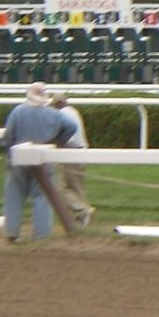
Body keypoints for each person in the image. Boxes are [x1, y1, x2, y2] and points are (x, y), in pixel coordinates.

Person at [0, 82, 73, 242]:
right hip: (44, 159)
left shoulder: (18, 111)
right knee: (42, 196)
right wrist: (58, 142)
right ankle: (41, 235)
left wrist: (8, 151)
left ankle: (12, 233)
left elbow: (7, 136)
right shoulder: (54, 114)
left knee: (14, 196)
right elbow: (71, 126)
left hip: (18, 159)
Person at [49, 91, 94, 229]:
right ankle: (82, 218)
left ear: (57, 103)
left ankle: (83, 210)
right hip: (81, 151)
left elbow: (59, 135)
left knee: (61, 189)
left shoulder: (61, 115)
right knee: (77, 188)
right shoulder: (73, 111)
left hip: (71, 153)